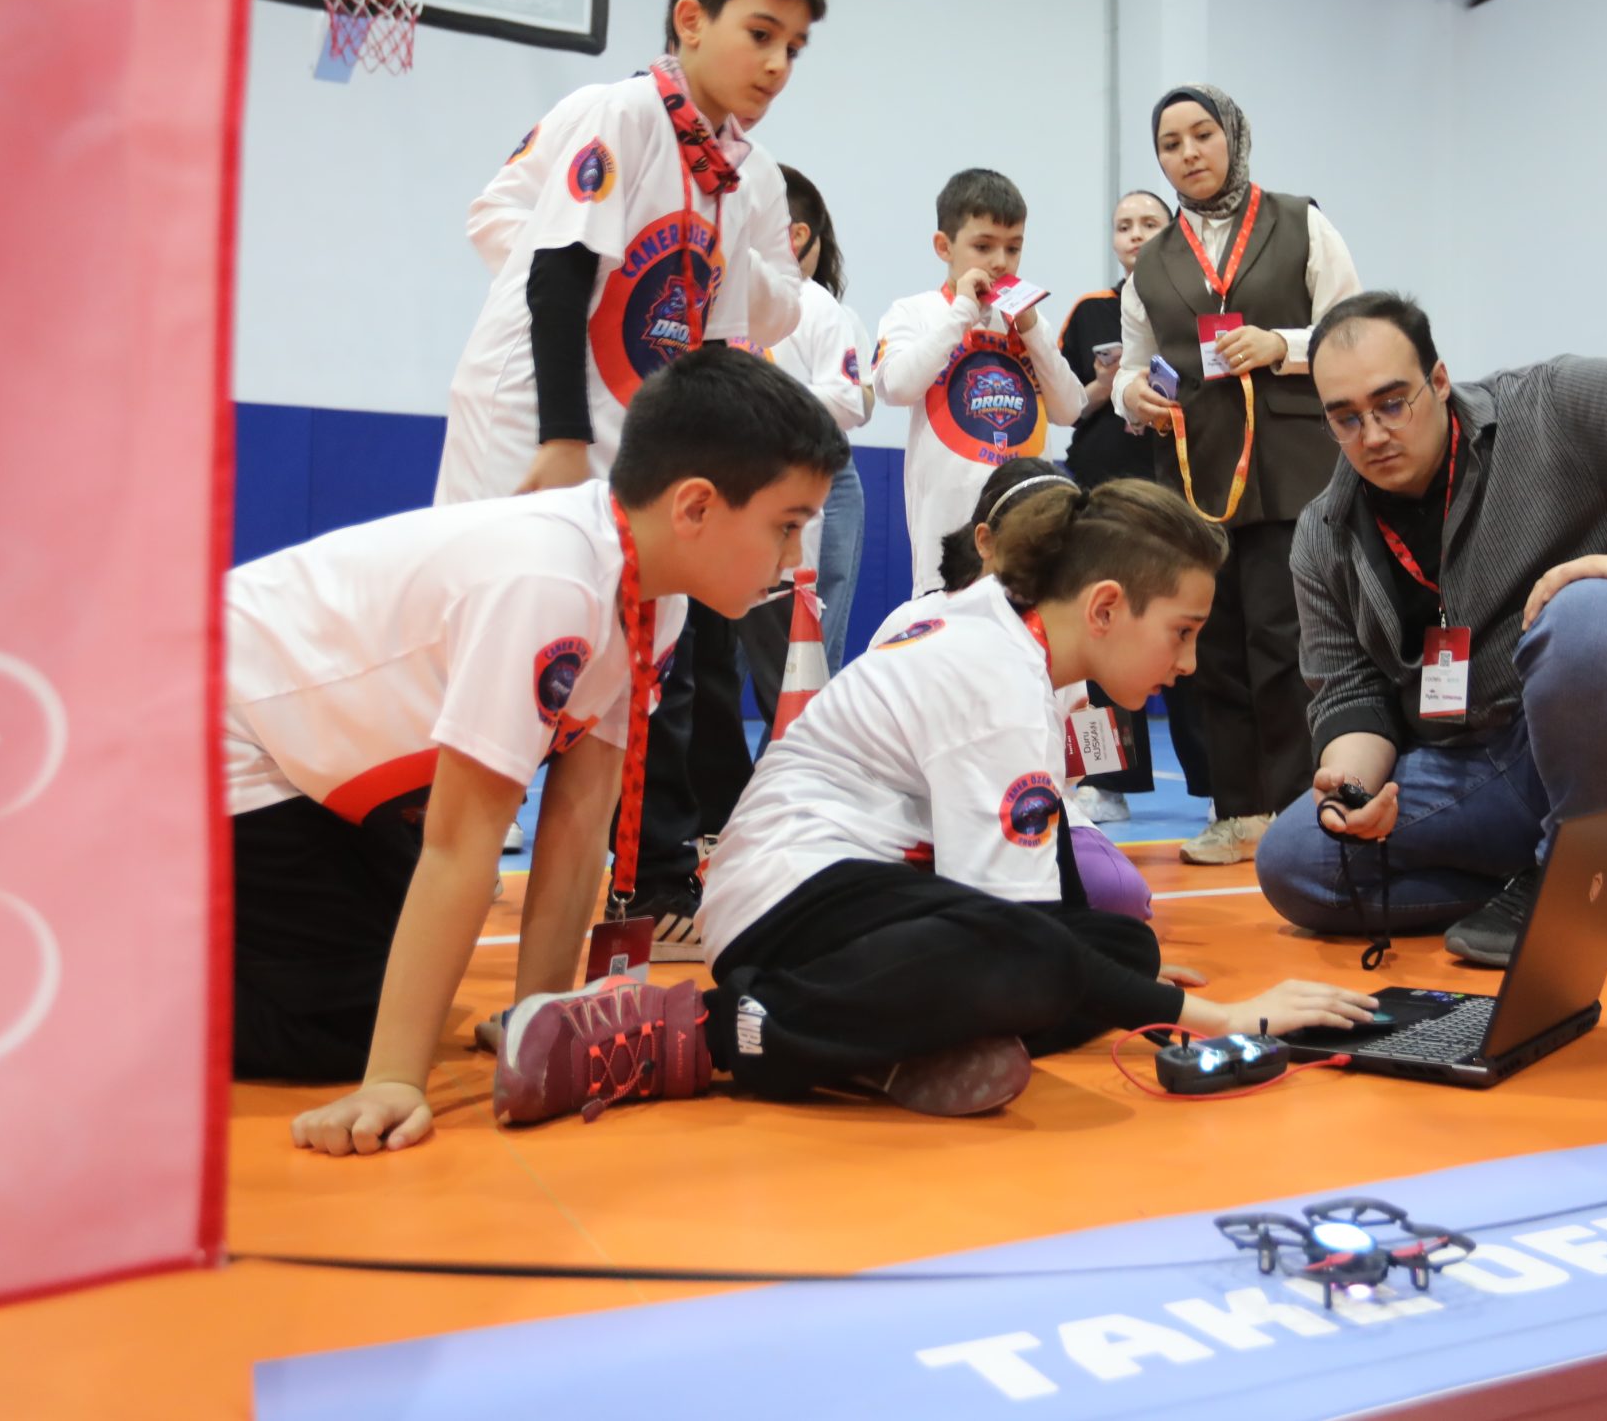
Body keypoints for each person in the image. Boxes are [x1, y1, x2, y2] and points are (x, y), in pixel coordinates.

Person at [494, 479, 1378, 1124]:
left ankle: (883, 1047)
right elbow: (1018, 930)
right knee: (1049, 961)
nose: (1186, 664)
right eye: (1182, 633)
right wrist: (1217, 1018)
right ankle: (699, 1031)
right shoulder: (999, 679)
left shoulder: (1005, 628)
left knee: (1120, 945)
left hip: (854, 891)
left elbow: (1035, 906)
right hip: (788, 898)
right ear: (1106, 606)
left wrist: (1123, 980)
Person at [228, 348, 846, 1155]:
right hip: (224, 733)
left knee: (396, 967)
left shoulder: (654, 597)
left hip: (319, 764)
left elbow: (581, 817)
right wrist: (393, 1079)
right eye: (787, 526)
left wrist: (539, 1023)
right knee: (344, 1025)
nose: (796, 558)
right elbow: (462, 838)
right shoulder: (550, 580)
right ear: (695, 506)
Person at [1256, 295, 1607, 968]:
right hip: (1485, 764)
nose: (1373, 435)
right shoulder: (1323, 534)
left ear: (1440, 381)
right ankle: (1593, 881)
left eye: (1392, 404)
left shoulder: (1545, 408)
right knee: (1297, 858)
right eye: (1346, 418)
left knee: (1587, 613)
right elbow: (1351, 696)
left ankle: (1573, 883)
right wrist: (1353, 790)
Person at [434, 0, 826, 506]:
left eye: (793, 49)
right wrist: (562, 437)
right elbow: (559, 272)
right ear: (690, 21)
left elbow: (712, 347)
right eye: (760, 35)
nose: (778, 65)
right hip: (533, 413)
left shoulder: (733, 171)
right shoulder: (625, 112)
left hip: (625, 419)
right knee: (515, 562)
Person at [1112, 85, 1360, 865]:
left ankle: (1294, 809)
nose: (1189, 153)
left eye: (1202, 134)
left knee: (1284, 640)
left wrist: (1282, 343)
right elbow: (1130, 368)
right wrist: (1133, 396)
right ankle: (1237, 809)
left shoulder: (1299, 221)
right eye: (1171, 143)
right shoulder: (1152, 262)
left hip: (1292, 470)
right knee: (1212, 647)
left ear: (1233, 137)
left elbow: (1353, 328)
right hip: (1196, 478)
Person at [868, 457, 1158, 924]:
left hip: (1025, 812)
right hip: (914, 819)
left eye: (1062, 554)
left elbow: (1070, 775)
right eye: (1032, 546)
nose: (1044, 568)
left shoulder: (1063, 641)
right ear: (984, 541)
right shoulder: (913, 622)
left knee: (1119, 897)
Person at [874, 168, 1084, 596]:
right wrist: (962, 313)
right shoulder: (915, 312)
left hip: (1027, 530)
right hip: (947, 536)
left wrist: (1032, 329)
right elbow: (895, 387)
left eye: (1013, 248)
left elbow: (1070, 409)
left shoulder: (1028, 323)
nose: (1000, 262)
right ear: (944, 246)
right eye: (983, 246)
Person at [1056, 188, 1195, 822]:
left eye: (1148, 223)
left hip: (1181, 493)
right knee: (1099, 632)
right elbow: (1062, 407)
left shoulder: (1199, 304)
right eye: (1123, 225)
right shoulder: (1090, 311)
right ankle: (1104, 783)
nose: (1135, 234)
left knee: (1189, 634)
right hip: (1101, 490)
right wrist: (1105, 385)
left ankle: (1221, 785)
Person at [732, 170, 868, 735]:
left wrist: (761, 399)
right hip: (727, 506)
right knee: (716, 668)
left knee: (797, 673)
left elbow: (852, 400)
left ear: (793, 235)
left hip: (801, 502)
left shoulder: (817, 306)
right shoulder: (718, 298)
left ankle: (793, 771)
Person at [780, 164, 874, 672]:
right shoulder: (727, 303)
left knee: (816, 630)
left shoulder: (828, 311)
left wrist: (762, 400)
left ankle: (811, 718)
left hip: (824, 471)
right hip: (744, 473)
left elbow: (857, 402)